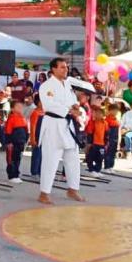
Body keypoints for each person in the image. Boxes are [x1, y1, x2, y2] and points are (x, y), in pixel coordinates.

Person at [38, 57, 84, 205]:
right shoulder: (46, 86)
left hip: (67, 125)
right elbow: (49, 105)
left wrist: (76, 107)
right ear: (54, 69)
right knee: (50, 159)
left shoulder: (68, 85)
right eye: (62, 67)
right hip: (53, 125)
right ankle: (44, 192)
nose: (66, 69)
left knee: (73, 158)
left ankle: (73, 189)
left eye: (66, 67)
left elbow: (72, 102)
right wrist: (70, 110)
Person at [4, 100, 28, 184]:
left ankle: (16, 174)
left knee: (18, 159)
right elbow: (8, 131)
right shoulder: (11, 118)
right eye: (18, 107)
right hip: (13, 143)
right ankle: (11, 175)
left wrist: (26, 139)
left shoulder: (22, 117)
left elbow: (25, 130)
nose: (20, 108)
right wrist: (9, 142)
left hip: (21, 142)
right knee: (12, 159)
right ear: (12, 109)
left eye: (21, 107)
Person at [85, 107, 107, 176]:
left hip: (101, 144)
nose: (97, 115)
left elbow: (106, 134)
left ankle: (97, 170)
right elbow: (90, 133)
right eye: (96, 113)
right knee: (91, 157)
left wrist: (106, 143)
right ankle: (91, 170)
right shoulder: (92, 122)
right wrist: (89, 143)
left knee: (100, 158)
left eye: (100, 113)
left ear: (103, 115)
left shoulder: (105, 123)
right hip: (94, 143)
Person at [102, 103, 121, 174]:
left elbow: (118, 130)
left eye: (116, 111)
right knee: (108, 153)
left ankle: (111, 166)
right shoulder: (107, 119)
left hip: (115, 138)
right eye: (114, 110)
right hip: (109, 138)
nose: (115, 112)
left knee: (113, 153)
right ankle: (106, 166)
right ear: (110, 111)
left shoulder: (116, 119)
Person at [29, 94, 44, 177]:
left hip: (44, 137)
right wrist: (32, 139)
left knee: (43, 155)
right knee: (36, 155)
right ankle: (34, 172)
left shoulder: (46, 112)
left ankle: (40, 171)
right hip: (37, 137)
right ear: (37, 102)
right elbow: (33, 126)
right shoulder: (35, 113)